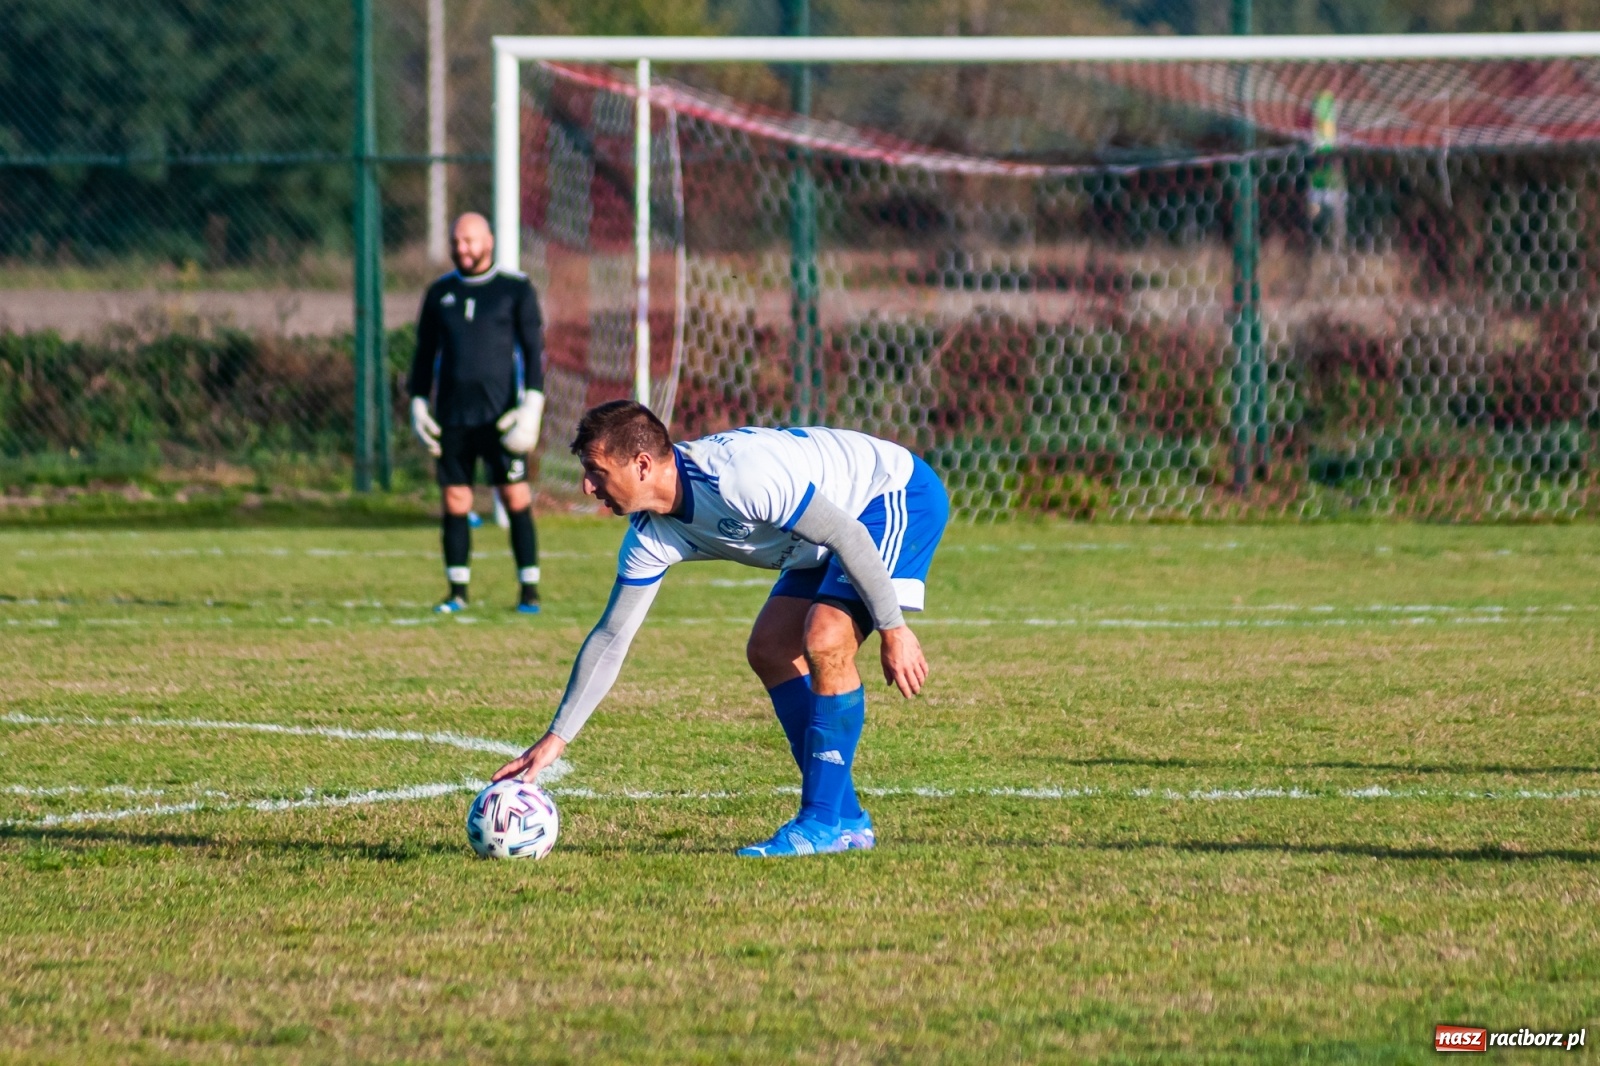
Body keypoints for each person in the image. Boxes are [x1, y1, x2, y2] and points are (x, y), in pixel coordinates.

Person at [491, 401, 950, 857]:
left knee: (826, 640)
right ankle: (845, 817)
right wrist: (557, 737)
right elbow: (612, 637)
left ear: (642, 464)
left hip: (889, 494)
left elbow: (846, 534)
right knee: (770, 649)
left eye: (596, 470)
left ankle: (823, 822)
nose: (588, 486)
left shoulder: (737, 477)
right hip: (816, 537)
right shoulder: (651, 535)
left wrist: (894, 627)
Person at [407, 212, 546, 614]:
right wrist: (418, 402)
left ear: (489, 240)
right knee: (454, 499)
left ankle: (529, 590)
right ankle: (457, 592)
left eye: (469, 241)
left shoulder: (514, 290)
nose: (462, 249)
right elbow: (424, 354)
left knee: (515, 495)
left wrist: (531, 407)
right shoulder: (438, 294)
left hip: (501, 417)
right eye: (456, 242)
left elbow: (533, 353)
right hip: (452, 417)